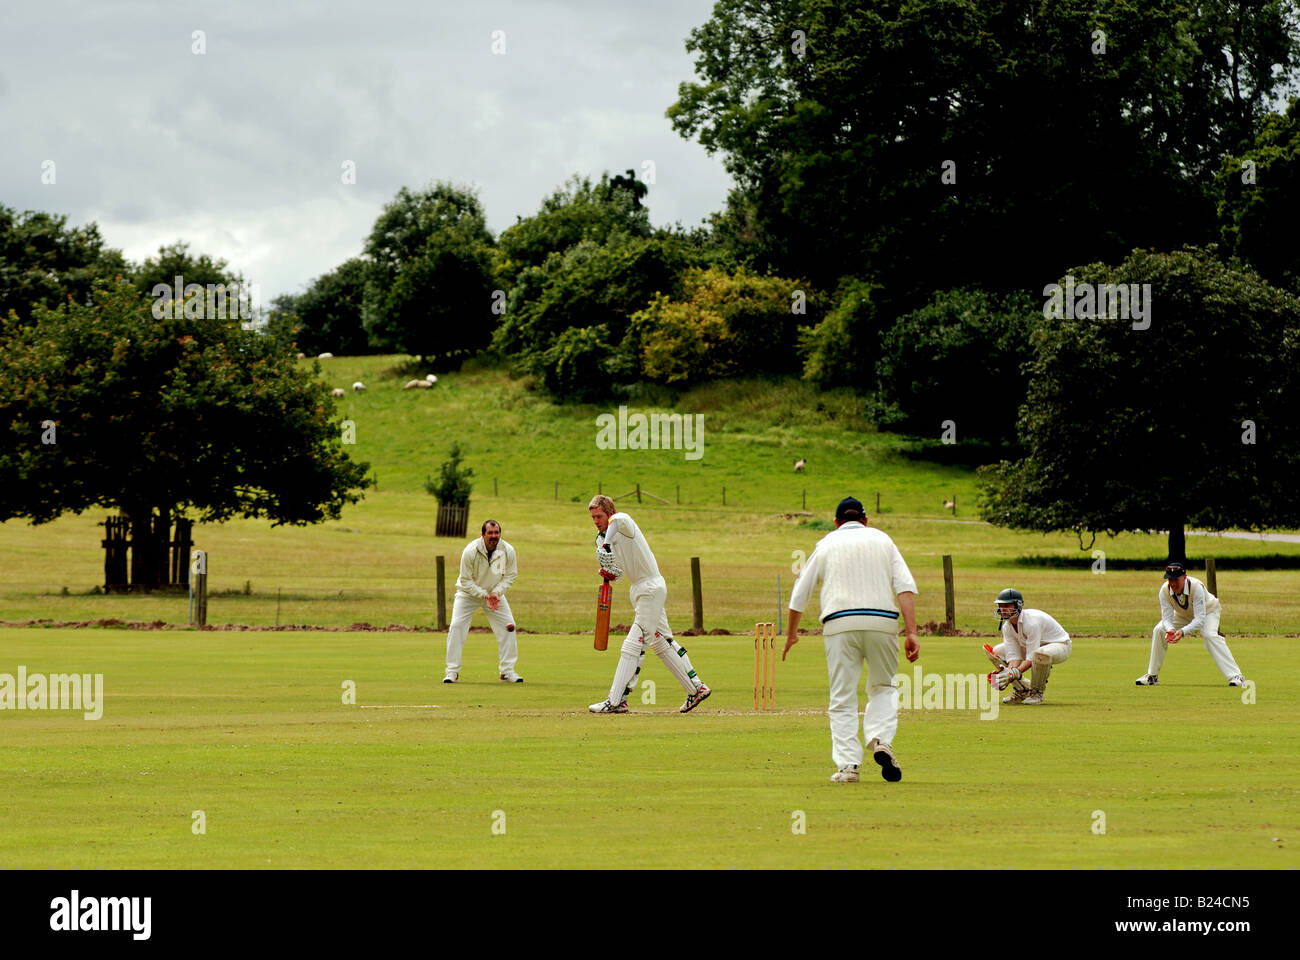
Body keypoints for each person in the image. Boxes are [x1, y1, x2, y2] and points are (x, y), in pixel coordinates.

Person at [784, 496, 920, 783]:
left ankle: (849, 767)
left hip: (839, 623)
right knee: (883, 687)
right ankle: (881, 739)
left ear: (836, 523)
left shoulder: (826, 543)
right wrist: (911, 632)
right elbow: (905, 589)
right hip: (883, 621)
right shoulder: (884, 540)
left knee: (842, 696)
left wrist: (792, 634)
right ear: (866, 520)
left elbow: (800, 594)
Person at [585, 495, 711, 714]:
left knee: (632, 644)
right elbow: (619, 575)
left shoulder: (623, 522)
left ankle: (616, 700)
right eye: (593, 517)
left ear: (609, 513)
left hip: (651, 587)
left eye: (599, 516)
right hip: (638, 590)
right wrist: (608, 572)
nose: (596, 521)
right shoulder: (599, 539)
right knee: (660, 642)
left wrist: (606, 545)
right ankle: (696, 688)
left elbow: (616, 521)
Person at [1135, 561, 1246, 687]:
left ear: (1184, 577)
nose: (1172, 583)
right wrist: (1171, 630)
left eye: (1176, 579)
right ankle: (1152, 676)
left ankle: (1237, 676)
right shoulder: (1164, 590)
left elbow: (1200, 619)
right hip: (1183, 614)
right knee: (1159, 630)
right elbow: (1166, 618)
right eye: (1170, 580)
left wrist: (1182, 632)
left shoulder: (1196, 587)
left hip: (1209, 611)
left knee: (1209, 635)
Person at [443, 520, 523, 684]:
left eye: (497, 533)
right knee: (456, 626)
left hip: (495, 594)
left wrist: (495, 593)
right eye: (490, 533)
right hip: (468, 594)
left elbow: (510, 575)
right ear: (483, 534)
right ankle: (452, 671)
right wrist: (483, 595)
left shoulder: (507, 550)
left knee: (509, 627)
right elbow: (465, 580)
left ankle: (507, 672)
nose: (494, 536)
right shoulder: (470, 550)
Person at [986, 588, 1071, 705]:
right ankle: (1022, 690)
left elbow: (1031, 656)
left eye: (1007, 605)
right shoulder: (1007, 626)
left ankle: (1037, 693)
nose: (1003, 609)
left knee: (1040, 654)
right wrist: (1009, 673)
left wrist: (1013, 673)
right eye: (1001, 605)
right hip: (1037, 648)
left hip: (1060, 646)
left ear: (1017, 605)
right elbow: (1013, 656)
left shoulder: (1031, 622)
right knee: (997, 651)